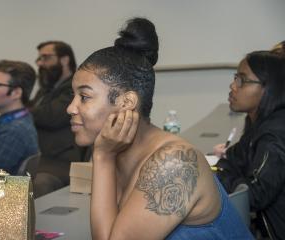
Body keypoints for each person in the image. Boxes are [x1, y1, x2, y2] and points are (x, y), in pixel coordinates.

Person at [67, 17, 253, 239]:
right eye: (73, 96)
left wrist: (102, 156)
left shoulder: (173, 162)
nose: (71, 108)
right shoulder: (119, 152)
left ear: (126, 103)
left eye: (84, 97)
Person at [214, 50, 285, 239]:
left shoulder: (273, 135)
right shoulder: (258, 124)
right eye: (235, 78)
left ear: (268, 88)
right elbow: (231, 159)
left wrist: (230, 178)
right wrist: (233, 176)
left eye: (242, 80)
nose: (233, 86)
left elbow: (254, 195)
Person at [28, 41, 87, 194]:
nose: (40, 63)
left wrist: (19, 108)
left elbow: (50, 117)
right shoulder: (46, 89)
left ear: (64, 60)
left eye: (46, 58)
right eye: (39, 59)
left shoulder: (76, 87)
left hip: (62, 160)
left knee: (39, 183)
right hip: (41, 158)